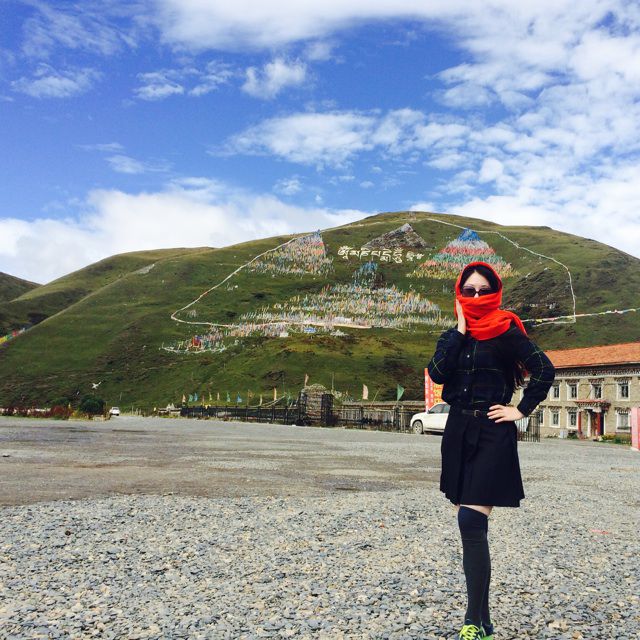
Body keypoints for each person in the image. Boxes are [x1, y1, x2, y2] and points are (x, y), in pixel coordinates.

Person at [426, 260, 555, 640]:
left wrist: (520, 410)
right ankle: (483, 624)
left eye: (484, 290)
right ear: (460, 294)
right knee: (469, 526)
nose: (477, 296)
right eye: (470, 290)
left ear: (495, 292)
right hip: (457, 431)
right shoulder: (452, 337)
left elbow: (544, 369)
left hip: (492, 432)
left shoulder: (506, 331)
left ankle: (471, 621)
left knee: (470, 521)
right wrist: (460, 330)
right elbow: (437, 373)